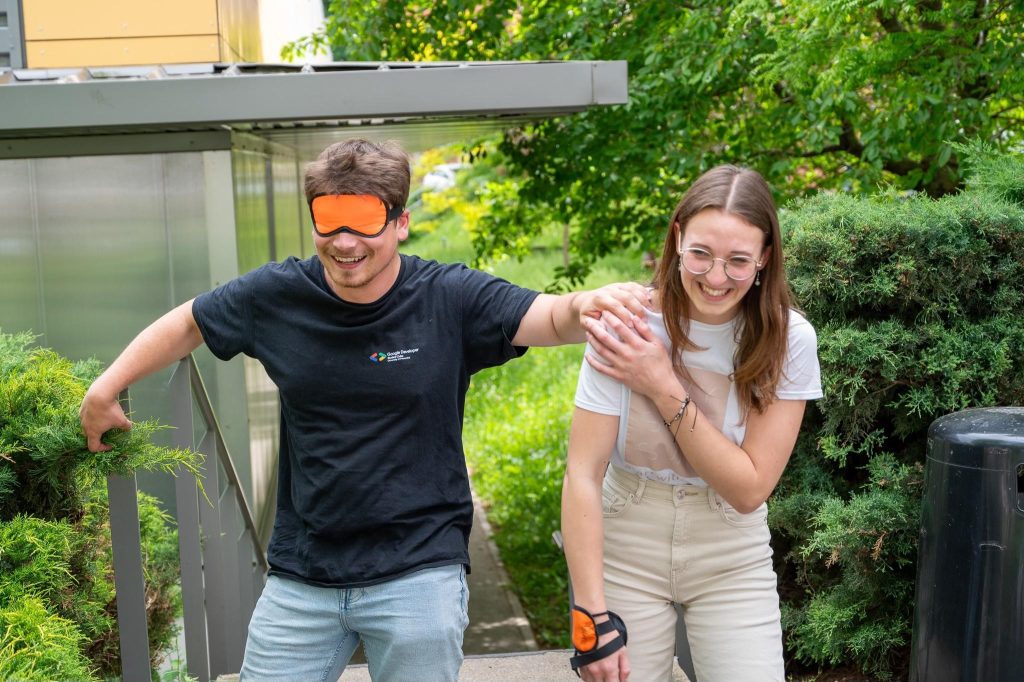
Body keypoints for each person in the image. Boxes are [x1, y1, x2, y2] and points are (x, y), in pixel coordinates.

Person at [79, 139, 650, 682]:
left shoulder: (448, 297)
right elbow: (189, 322)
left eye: (365, 221)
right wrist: (107, 387)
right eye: (331, 221)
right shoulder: (278, 295)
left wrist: (588, 303)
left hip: (418, 569)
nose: (346, 241)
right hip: (304, 574)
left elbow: (549, 316)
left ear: (400, 222)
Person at [561, 165, 823, 682]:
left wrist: (661, 383)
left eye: (739, 261)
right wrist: (591, 617)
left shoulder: (789, 340)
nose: (716, 277)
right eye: (701, 253)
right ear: (677, 237)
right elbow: (582, 474)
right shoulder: (627, 321)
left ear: (765, 258)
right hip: (625, 538)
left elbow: (749, 489)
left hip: (731, 550)